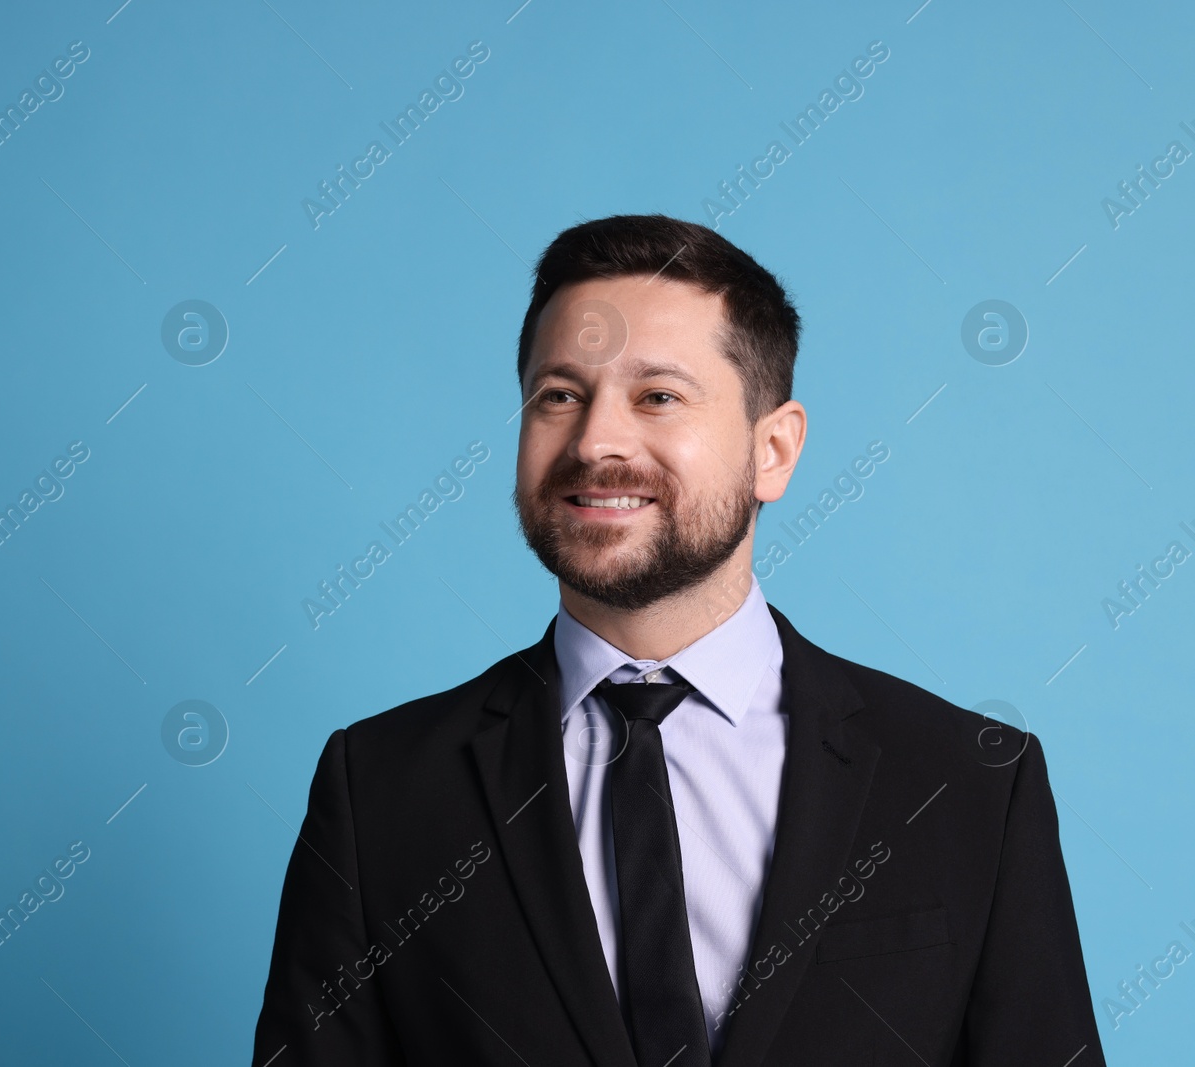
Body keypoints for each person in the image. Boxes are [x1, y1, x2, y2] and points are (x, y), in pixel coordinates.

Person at [251, 214, 1104, 1066]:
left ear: (773, 449)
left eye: (657, 395)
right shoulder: (381, 792)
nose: (595, 442)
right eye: (559, 395)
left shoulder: (970, 785)